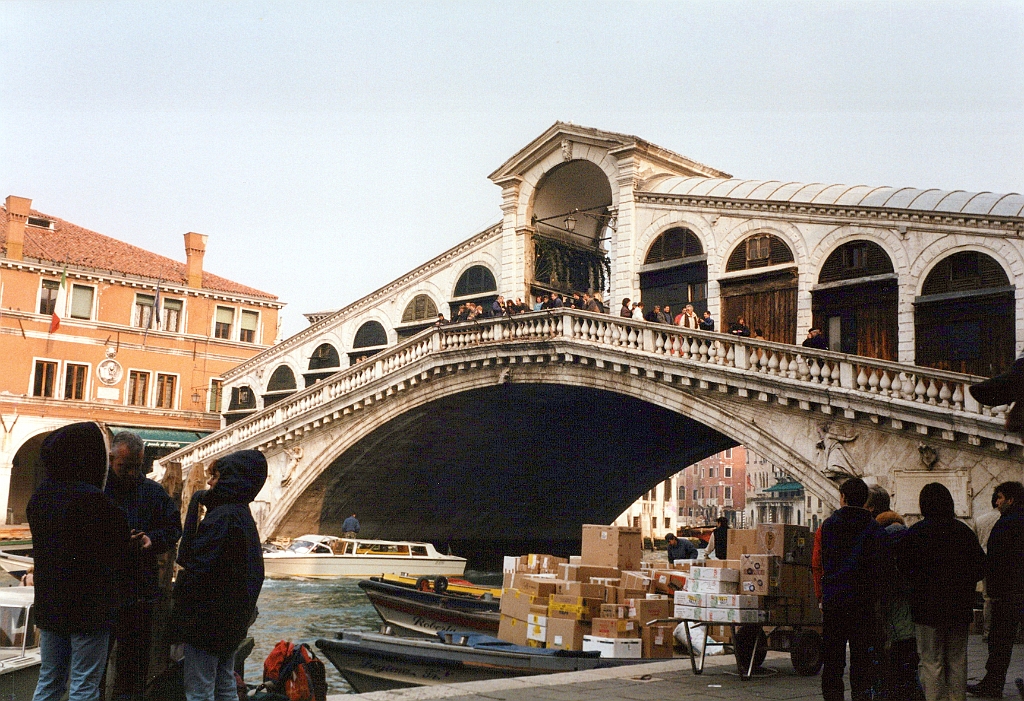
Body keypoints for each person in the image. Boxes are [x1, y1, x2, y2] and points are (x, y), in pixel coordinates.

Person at [28, 421, 134, 701]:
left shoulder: (39, 498)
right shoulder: (99, 503)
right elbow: (120, 550)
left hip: (51, 606)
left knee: (49, 681)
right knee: (84, 686)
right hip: (90, 610)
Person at [171, 451, 267, 701]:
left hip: (206, 622)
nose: (210, 482)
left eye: (215, 476)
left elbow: (194, 564)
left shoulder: (222, 518)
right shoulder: (241, 515)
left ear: (230, 480)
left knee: (199, 689)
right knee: (225, 683)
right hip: (231, 622)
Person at [104, 431, 182, 701]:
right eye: (124, 467)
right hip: (104, 594)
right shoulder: (98, 489)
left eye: (136, 467)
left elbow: (174, 528)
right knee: (94, 669)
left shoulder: (152, 491)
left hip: (139, 593)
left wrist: (151, 539)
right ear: (111, 459)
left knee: (133, 671)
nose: (130, 473)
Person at [897, 483, 985, 701]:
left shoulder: (916, 533)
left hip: (926, 608)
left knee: (930, 660)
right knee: (957, 658)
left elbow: (903, 568)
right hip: (958, 607)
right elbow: (981, 567)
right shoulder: (963, 532)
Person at [813, 477, 888, 701]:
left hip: (835, 600)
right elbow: (881, 566)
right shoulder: (874, 528)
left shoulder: (827, 526)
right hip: (863, 603)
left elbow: (817, 564)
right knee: (862, 660)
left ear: (842, 498)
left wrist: (821, 597)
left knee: (833, 661)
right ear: (865, 499)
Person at [968, 481, 1024, 698]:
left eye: (1000, 498)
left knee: (999, 643)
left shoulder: (1006, 524)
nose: (997, 503)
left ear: (1010, 500)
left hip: (1006, 594)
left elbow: (996, 561)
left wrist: (993, 590)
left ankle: (992, 683)